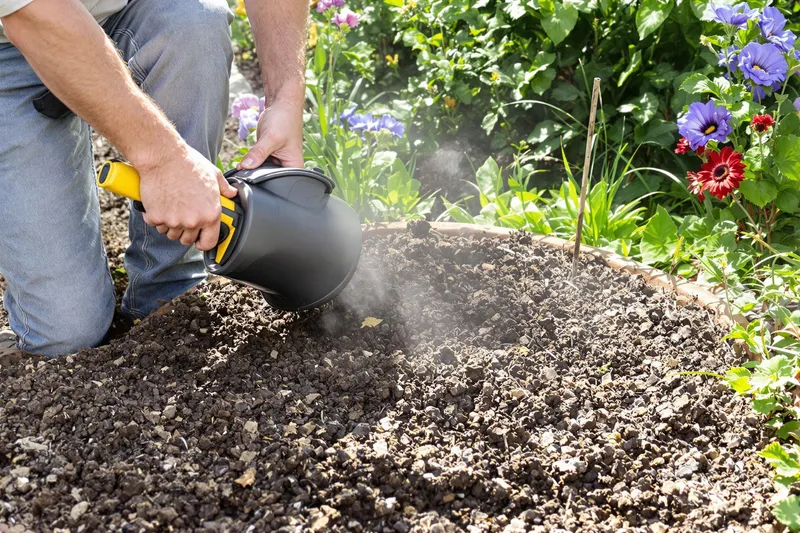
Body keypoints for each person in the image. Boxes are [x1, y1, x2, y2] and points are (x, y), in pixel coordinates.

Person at [0, 0, 307, 358]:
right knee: (67, 337)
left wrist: (285, 95)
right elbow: (36, 16)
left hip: (132, 9)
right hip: (13, 38)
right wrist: (164, 161)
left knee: (196, 20)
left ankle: (166, 288)